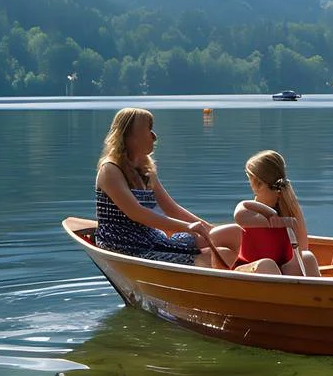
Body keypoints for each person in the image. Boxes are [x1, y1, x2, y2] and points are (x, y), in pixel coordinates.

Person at [94, 107, 238, 266]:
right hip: (127, 248)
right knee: (224, 255)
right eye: (149, 129)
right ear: (130, 136)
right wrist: (188, 227)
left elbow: (171, 208)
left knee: (233, 233)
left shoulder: (146, 170)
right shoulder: (110, 170)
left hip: (153, 238)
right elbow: (137, 213)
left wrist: (206, 228)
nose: (154, 136)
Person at [229, 150, 321, 276]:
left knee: (307, 257)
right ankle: (287, 293)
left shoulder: (290, 209)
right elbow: (239, 217)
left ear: (257, 183)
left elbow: (303, 246)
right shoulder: (247, 208)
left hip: (280, 266)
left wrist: (291, 216)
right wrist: (273, 220)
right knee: (267, 265)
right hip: (249, 268)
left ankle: (312, 294)